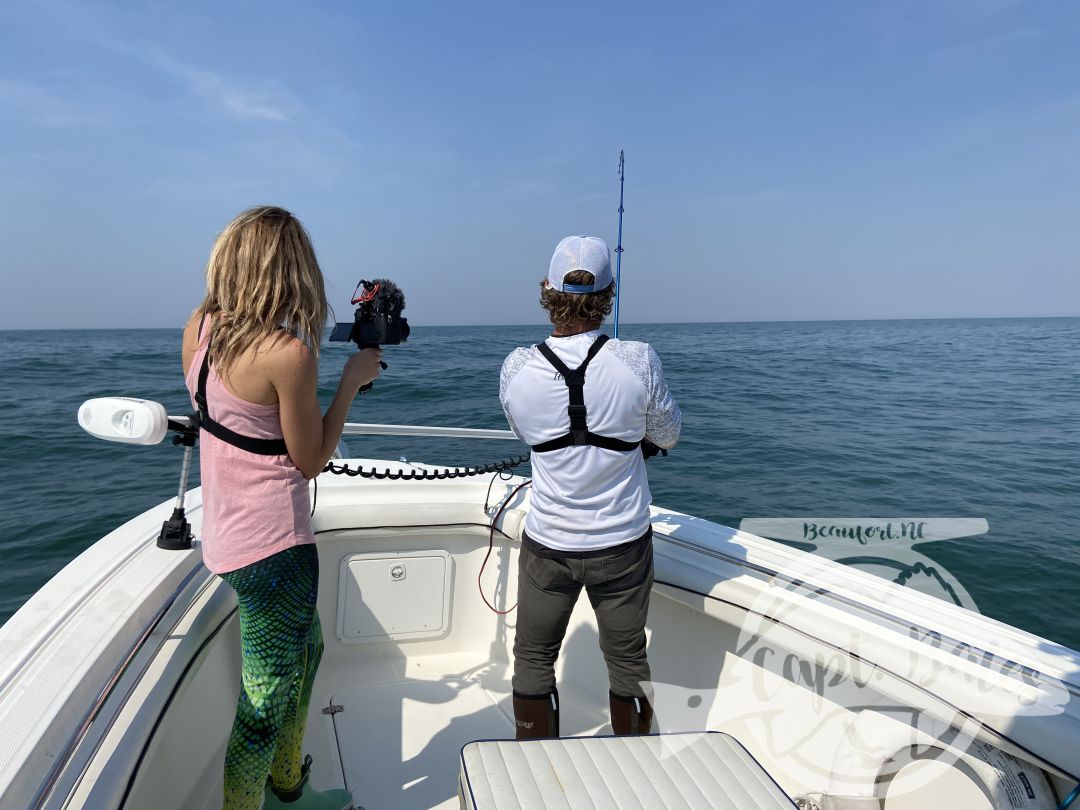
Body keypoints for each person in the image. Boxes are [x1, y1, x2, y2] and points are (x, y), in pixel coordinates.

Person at [181, 206, 381, 810]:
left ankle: (291, 789)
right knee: (264, 703)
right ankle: (261, 801)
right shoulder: (287, 353)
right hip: (276, 548)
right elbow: (311, 458)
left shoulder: (199, 328)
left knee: (309, 649)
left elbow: (231, 419)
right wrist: (348, 385)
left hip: (227, 536)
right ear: (291, 271)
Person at [499, 235, 681, 738]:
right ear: (607, 296)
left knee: (533, 656)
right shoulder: (639, 359)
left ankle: (534, 762)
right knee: (627, 660)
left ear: (547, 290)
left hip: (548, 544)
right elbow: (668, 434)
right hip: (622, 544)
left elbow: (526, 432)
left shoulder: (516, 367)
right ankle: (633, 761)